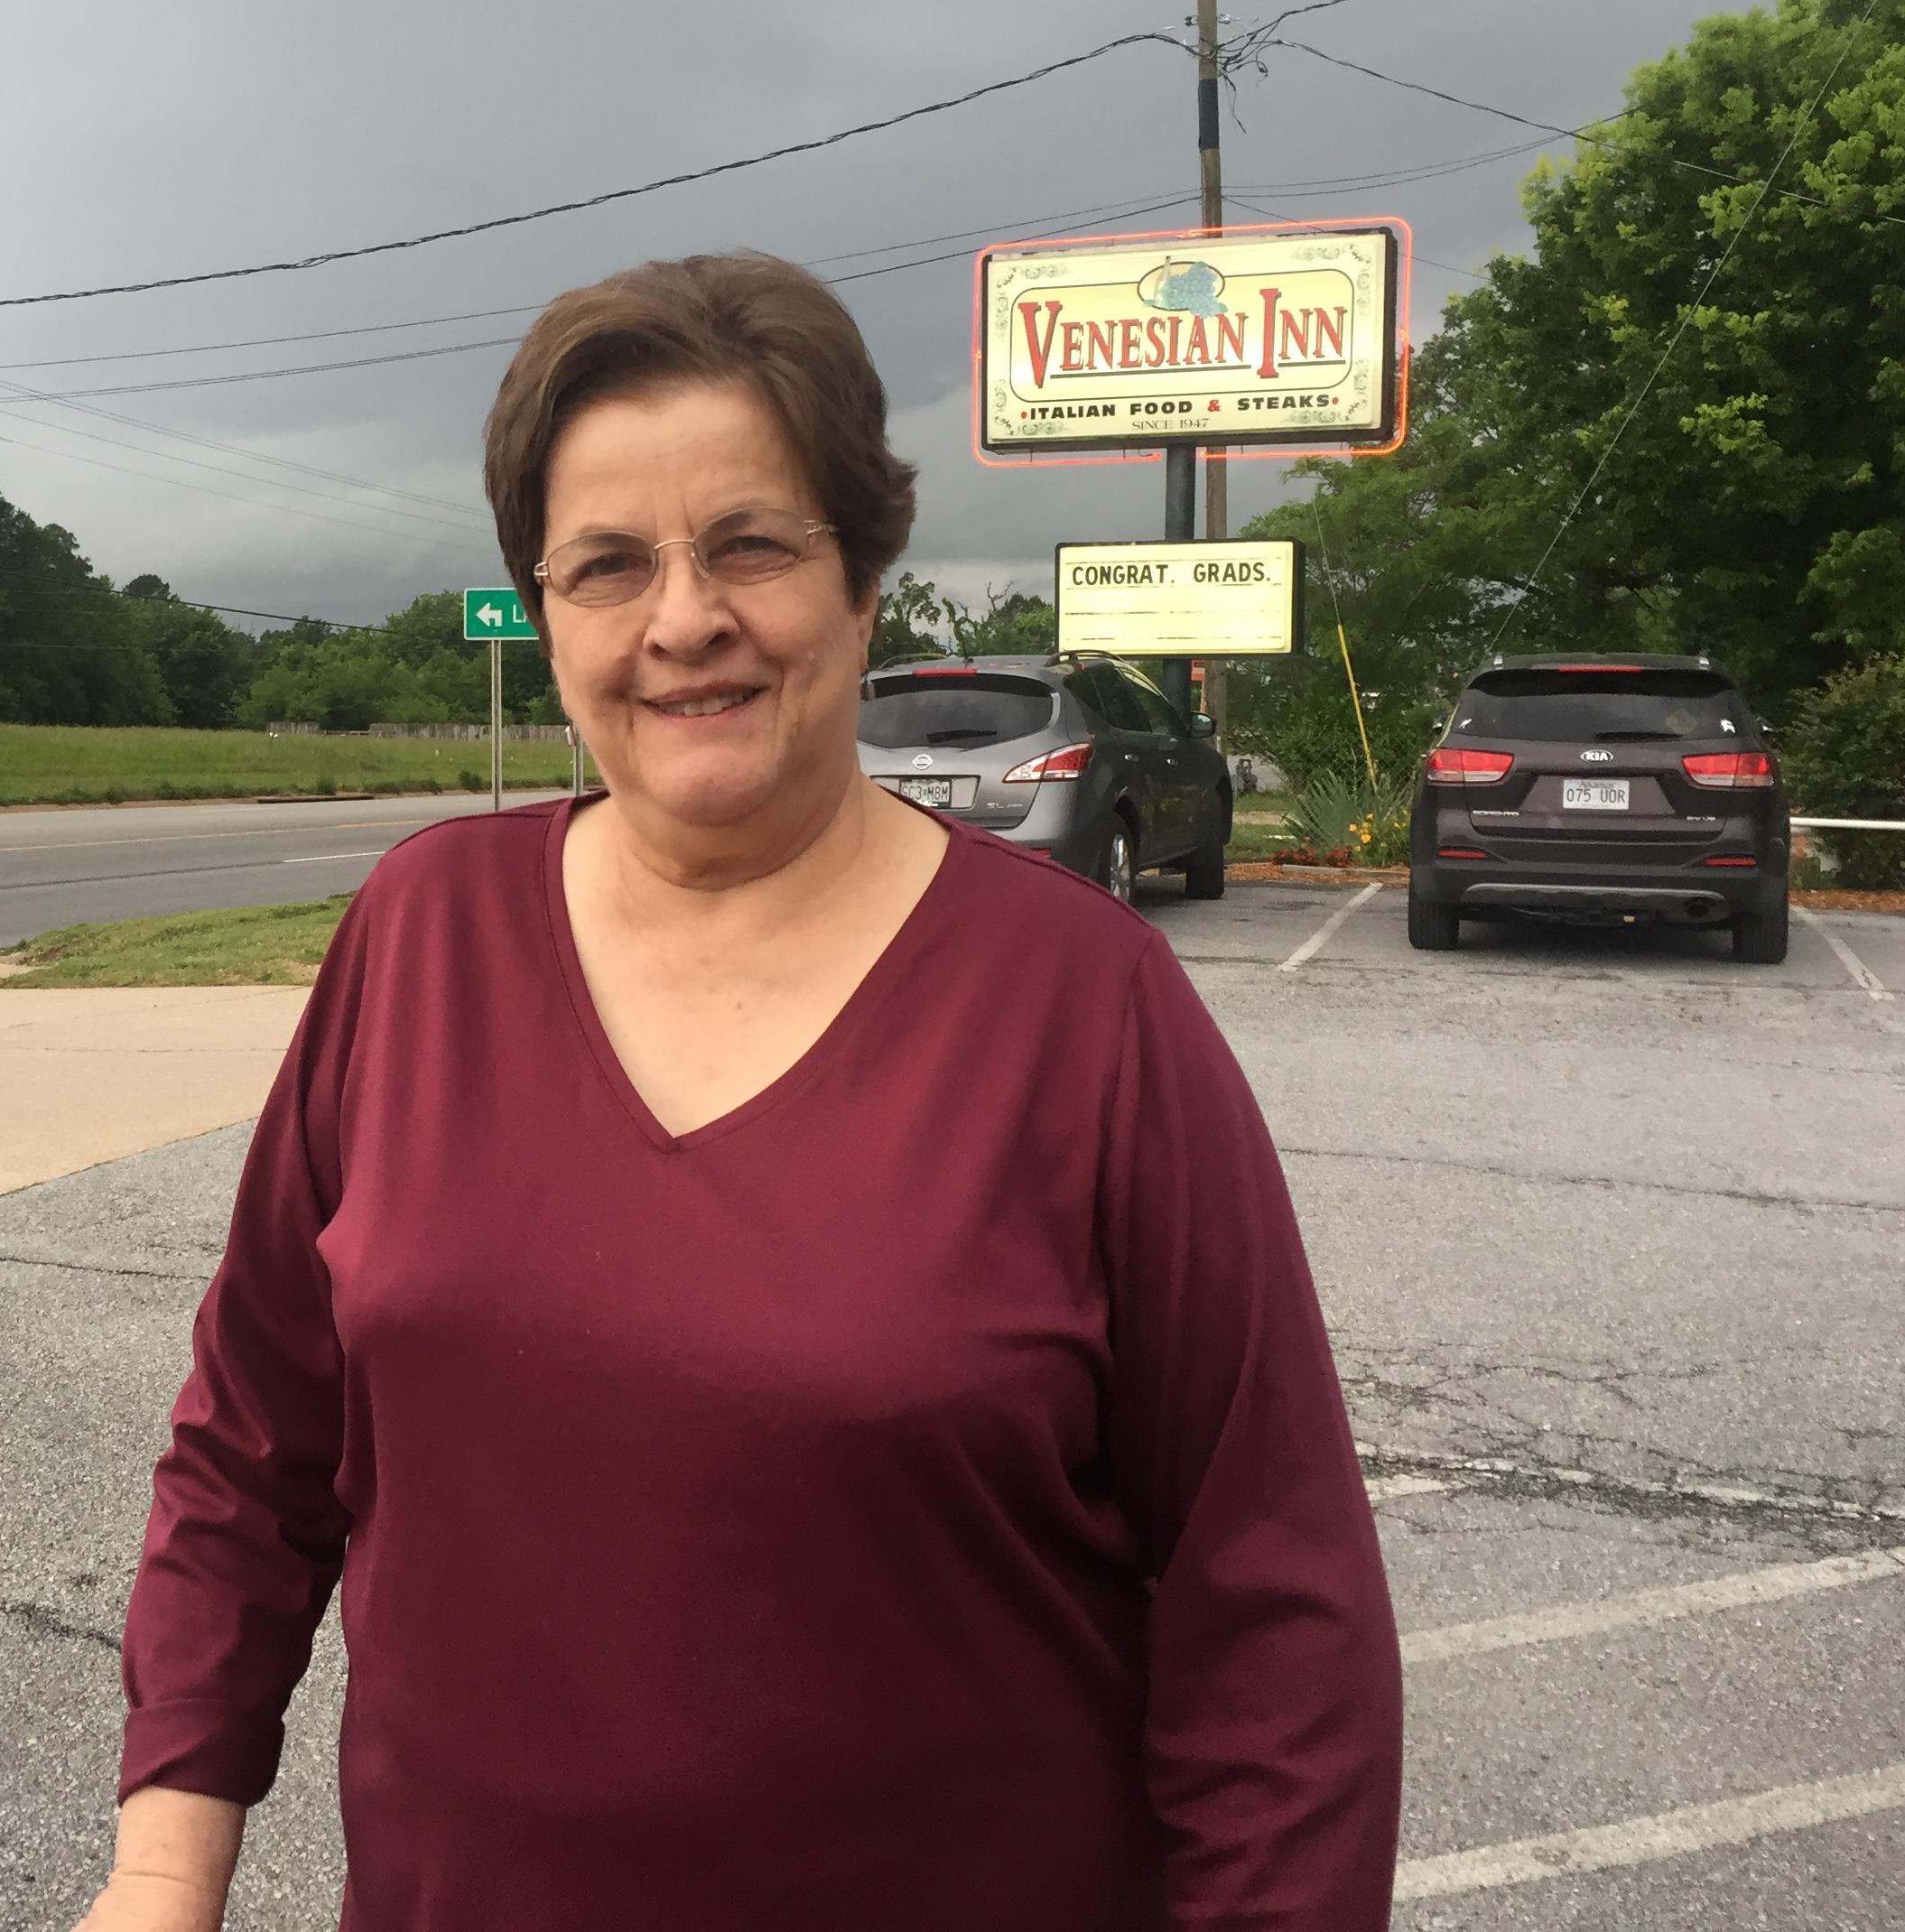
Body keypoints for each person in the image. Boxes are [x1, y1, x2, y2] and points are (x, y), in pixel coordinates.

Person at [77, 253, 1402, 1931]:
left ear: (865, 584)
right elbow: (251, 1449)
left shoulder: (1084, 1007)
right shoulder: (420, 936)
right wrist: (161, 1871)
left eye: (753, 544)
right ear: (545, 610)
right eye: (608, 564)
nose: (682, 618)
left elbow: (1273, 1612)